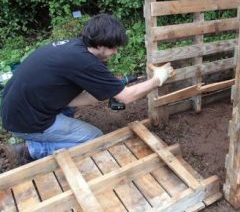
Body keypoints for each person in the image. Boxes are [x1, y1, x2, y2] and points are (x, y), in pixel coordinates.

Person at [0, 14, 173, 164]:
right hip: (27, 121)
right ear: (99, 45)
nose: (116, 52)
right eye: (113, 47)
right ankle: (30, 150)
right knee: (94, 138)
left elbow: (85, 97)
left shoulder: (76, 48)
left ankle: (46, 134)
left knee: (74, 107)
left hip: (19, 108)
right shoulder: (85, 63)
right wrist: (158, 78)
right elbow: (127, 97)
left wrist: (107, 90)